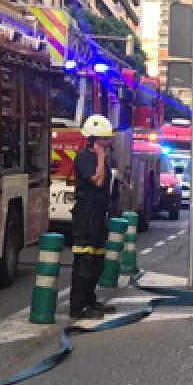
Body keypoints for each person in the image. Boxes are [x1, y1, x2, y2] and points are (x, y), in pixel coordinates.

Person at [69, 115, 116, 320]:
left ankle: (90, 300)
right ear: (94, 139)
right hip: (86, 215)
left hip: (98, 215)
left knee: (97, 261)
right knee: (84, 262)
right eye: (104, 139)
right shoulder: (84, 157)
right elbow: (97, 181)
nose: (108, 142)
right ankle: (77, 307)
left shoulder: (100, 158)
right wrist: (100, 157)